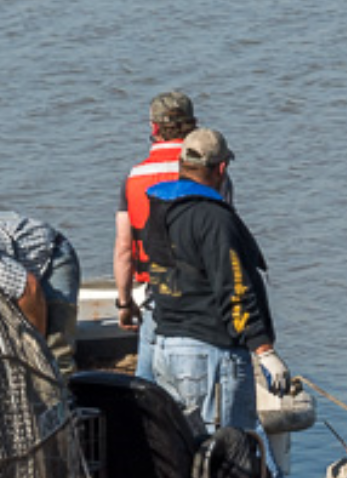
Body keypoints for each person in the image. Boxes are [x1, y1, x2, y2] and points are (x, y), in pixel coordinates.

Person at [144, 128, 293, 441]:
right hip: (209, 353)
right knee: (229, 455)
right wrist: (264, 351)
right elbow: (234, 288)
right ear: (222, 168)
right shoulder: (213, 218)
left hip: (166, 348)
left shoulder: (159, 210)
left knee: (187, 451)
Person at [113, 90, 231, 380]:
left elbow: (124, 249)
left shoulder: (134, 176)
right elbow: (225, 236)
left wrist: (125, 302)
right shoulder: (209, 170)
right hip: (202, 301)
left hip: (157, 293)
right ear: (193, 124)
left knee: (146, 382)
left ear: (154, 128)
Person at [0, 212, 83, 376]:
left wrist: (35, 353)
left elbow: (29, 289)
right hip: (7, 275)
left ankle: (60, 396)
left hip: (50, 255)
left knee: (54, 353)